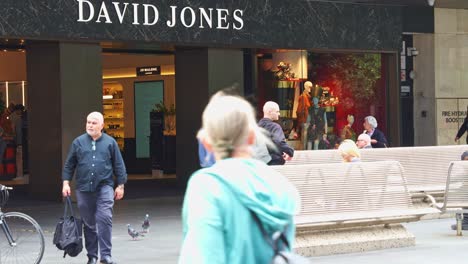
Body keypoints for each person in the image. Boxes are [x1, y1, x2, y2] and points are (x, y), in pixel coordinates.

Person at [179, 94, 299, 263]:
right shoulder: (282, 186)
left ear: (207, 143)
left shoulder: (206, 186)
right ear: (251, 137)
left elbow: (202, 255)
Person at [62, 112, 127, 264]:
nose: (90, 125)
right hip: (84, 189)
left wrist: (121, 185)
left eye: (94, 123)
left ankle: (106, 256)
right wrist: (66, 183)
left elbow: (119, 165)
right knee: (89, 223)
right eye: (88, 122)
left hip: (105, 187)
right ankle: (92, 256)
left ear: (102, 126)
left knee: (104, 219)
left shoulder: (110, 142)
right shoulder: (78, 142)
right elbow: (69, 165)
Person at [451, 151, 468, 231]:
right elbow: (452, 180)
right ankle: (465, 220)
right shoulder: (463, 176)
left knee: (464, 190)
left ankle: (466, 221)